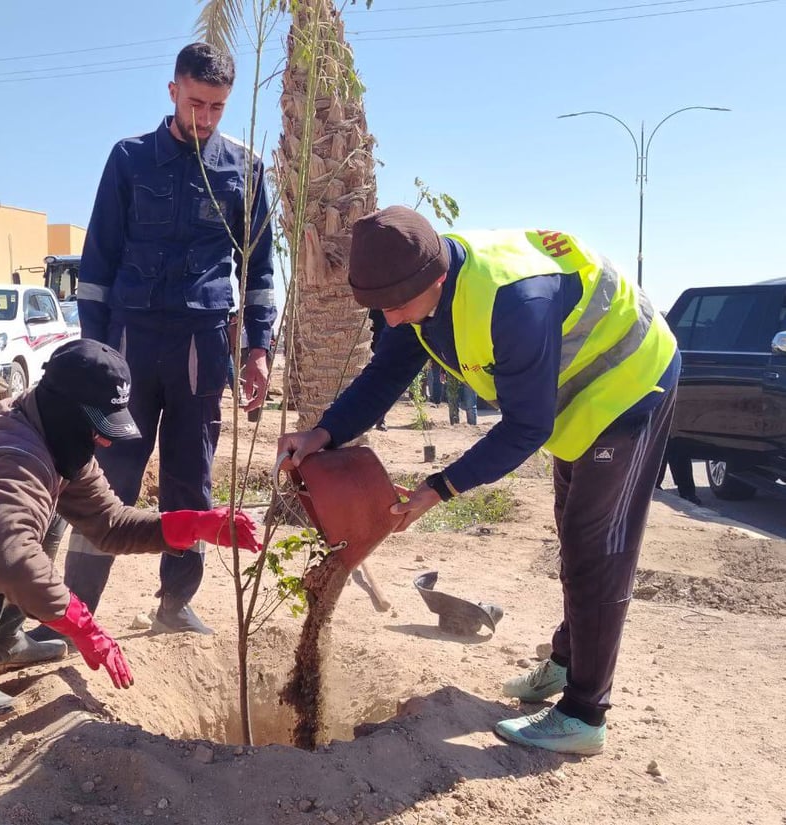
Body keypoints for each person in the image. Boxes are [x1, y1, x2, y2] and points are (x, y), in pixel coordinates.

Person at [278, 207, 679, 755]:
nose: (390, 321)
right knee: (574, 536)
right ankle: (566, 664)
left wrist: (440, 488)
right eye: (380, 310)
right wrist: (324, 432)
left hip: (628, 385)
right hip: (569, 398)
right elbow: (387, 373)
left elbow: (527, 426)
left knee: (596, 548)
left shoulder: (514, 302)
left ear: (437, 279)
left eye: (395, 309)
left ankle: (586, 713)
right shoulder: (411, 290)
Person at [0, 339, 261, 723]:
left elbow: (110, 524)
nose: (106, 442)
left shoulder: (46, 434)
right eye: (98, 425)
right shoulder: (15, 453)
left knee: (51, 512)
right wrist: (84, 626)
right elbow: (10, 561)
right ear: (65, 408)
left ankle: (1, 642)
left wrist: (198, 525)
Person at [65, 42, 276, 635]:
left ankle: (175, 603)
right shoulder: (129, 159)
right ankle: (76, 611)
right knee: (109, 479)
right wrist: (92, 353)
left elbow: (258, 270)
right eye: (196, 103)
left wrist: (257, 349)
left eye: (217, 107)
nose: (205, 117)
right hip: (129, 344)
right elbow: (97, 263)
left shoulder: (246, 169)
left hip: (201, 348)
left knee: (192, 479)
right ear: (173, 91)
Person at [369, 309, 388, 430]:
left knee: (383, 385)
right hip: (367, 348)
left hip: (384, 349)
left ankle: (381, 420)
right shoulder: (369, 307)